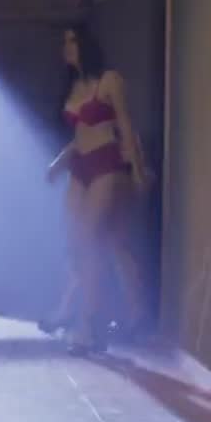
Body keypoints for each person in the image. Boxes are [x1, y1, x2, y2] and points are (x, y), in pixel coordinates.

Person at [45, 24, 152, 351]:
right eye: (64, 42)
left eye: (72, 40)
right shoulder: (74, 87)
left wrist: (137, 171)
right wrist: (58, 163)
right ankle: (123, 315)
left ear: (86, 43)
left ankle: (89, 326)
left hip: (107, 164)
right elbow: (79, 138)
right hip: (80, 167)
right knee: (83, 244)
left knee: (94, 243)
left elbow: (126, 128)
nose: (67, 47)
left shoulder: (110, 81)